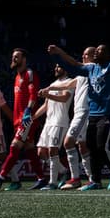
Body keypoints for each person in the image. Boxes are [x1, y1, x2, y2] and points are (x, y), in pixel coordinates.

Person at [49, 35, 110, 190]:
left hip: (106, 113)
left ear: (107, 55)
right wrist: (57, 54)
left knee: (101, 146)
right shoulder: (91, 69)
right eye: (96, 50)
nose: (96, 53)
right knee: (91, 147)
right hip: (92, 114)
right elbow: (72, 66)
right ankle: (96, 181)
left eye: (100, 51)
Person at [0, 48, 45, 190]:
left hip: (26, 119)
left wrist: (28, 111)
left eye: (16, 57)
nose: (13, 59)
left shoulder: (29, 74)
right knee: (29, 148)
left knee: (14, 146)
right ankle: (42, 178)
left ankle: (0, 177)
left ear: (24, 59)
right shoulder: (17, 77)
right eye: (13, 57)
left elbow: (33, 95)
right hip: (18, 120)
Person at [56, 47, 94, 189]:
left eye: (86, 54)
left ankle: (75, 178)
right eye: (82, 54)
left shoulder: (91, 67)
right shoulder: (82, 73)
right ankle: (91, 179)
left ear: (93, 56)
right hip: (79, 112)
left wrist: (59, 53)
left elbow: (73, 63)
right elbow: (68, 84)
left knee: (68, 142)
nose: (83, 57)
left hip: (84, 111)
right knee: (82, 145)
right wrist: (49, 90)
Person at [33, 62, 73, 190]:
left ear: (66, 69)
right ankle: (63, 171)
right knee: (41, 152)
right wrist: (32, 117)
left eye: (59, 66)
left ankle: (52, 182)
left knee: (52, 150)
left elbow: (65, 98)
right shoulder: (52, 84)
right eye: (55, 66)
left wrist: (48, 93)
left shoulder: (70, 82)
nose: (56, 68)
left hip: (60, 122)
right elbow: (46, 105)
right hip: (48, 122)